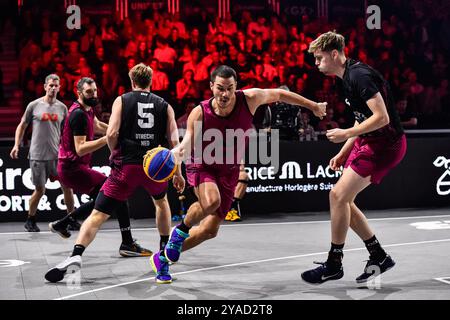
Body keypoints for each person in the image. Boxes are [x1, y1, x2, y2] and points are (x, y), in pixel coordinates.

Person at [149, 65, 327, 283]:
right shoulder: (200, 112)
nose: (225, 94)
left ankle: (162, 258)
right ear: (211, 86)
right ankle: (180, 231)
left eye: (230, 88)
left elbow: (280, 94)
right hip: (203, 164)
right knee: (211, 201)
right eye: (220, 88)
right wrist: (173, 158)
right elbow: (186, 146)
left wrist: (314, 106)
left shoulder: (249, 99)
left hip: (229, 170)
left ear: (236, 87)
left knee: (210, 230)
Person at [45, 64, 185, 283]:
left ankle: (76, 254)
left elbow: (112, 132)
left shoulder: (122, 100)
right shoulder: (164, 105)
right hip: (154, 168)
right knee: (161, 203)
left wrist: (114, 154)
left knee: (98, 214)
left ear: (132, 82)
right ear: (151, 81)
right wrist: (177, 172)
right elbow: (176, 143)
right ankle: (164, 260)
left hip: (125, 167)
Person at [301, 31, 406, 284]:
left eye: (319, 58)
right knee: (343, 201)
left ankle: (334, 264)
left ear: (334, 54)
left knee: (337, 196)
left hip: (385, 145)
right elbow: (362, 118)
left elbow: (382, 118)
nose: (316, 64)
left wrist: (347, 133)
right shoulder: (345, 77)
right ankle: (378, 256)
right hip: (367, 141)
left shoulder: (359, 75)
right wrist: (343, 151)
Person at [48, 77, 151, 258]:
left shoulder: (87, 110)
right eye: (89, 92)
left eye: (95, 91)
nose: (94, 94)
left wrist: (116, 130)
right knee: (114, 194)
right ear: (78, 93)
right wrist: (108, 138)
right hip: (72, 169)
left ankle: (62, 224)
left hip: (75, 167)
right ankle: (127, 243)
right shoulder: (78, 115)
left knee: (108, 199)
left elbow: (97, 125)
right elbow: (80, 149)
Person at [10, 74, 75, 232]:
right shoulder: (34, 105)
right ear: (45, 87)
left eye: (56, 86)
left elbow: (67, 132)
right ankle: (30, 220)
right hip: (37, 156)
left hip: (57, 156)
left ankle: (71, 219)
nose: (53, 88)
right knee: (40, 190)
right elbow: (22, 125)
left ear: (59, 88)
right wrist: (16, 145)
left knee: (67, 187)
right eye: (50, 85)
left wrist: (70, 149)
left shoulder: (62, 108)